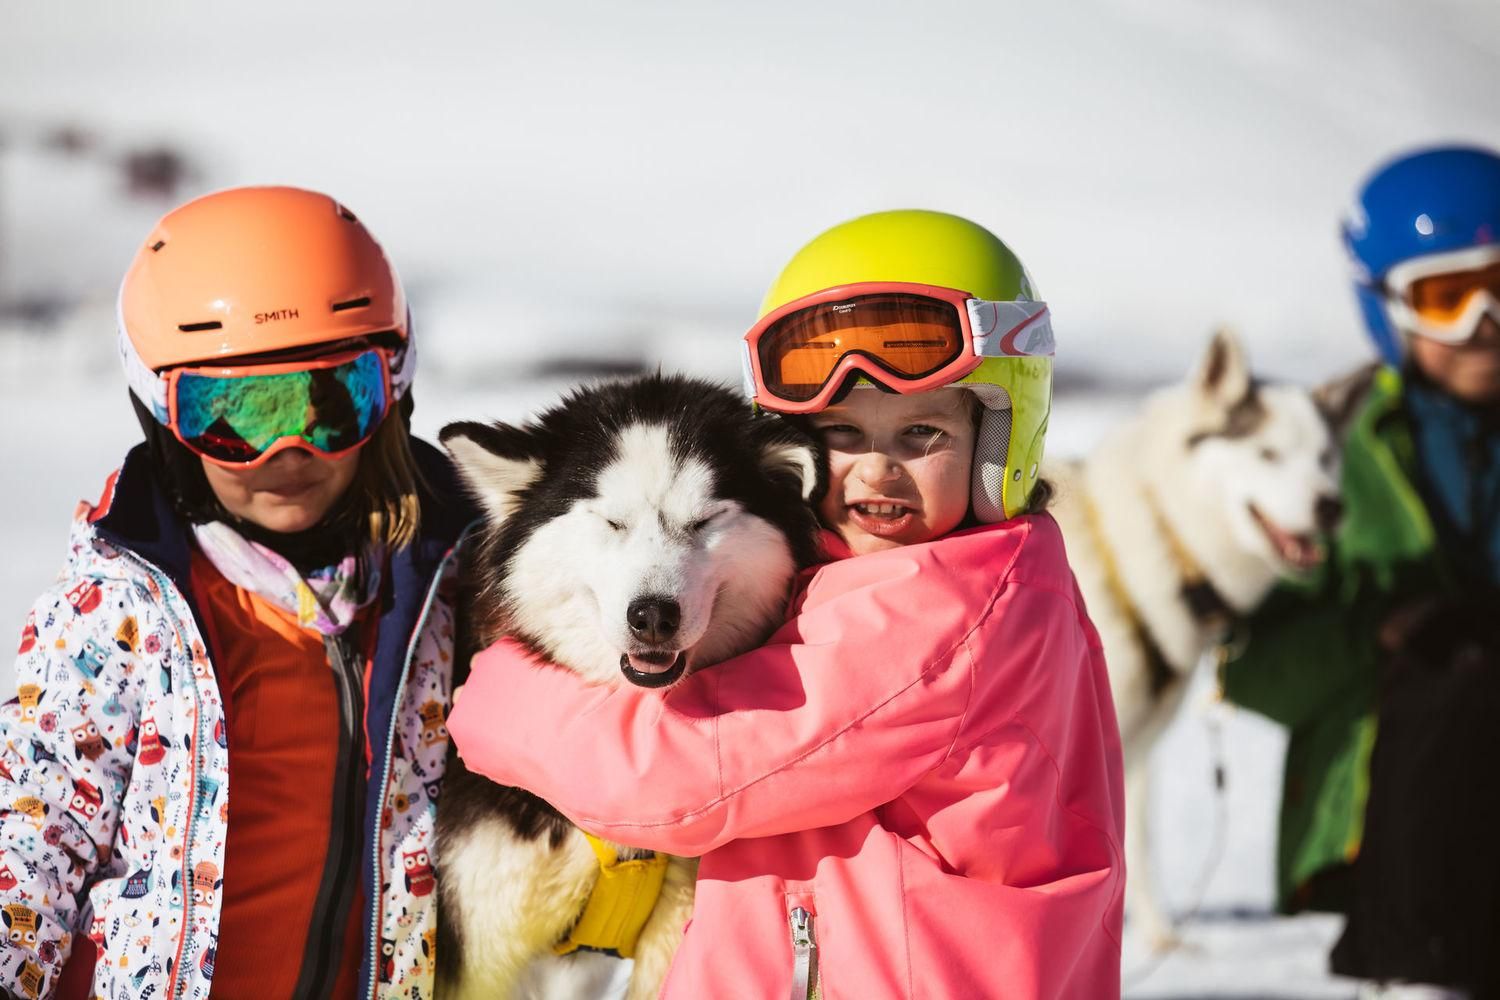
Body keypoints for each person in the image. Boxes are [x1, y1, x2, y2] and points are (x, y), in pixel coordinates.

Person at [447, 210, 1126, 998]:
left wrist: (498, 698)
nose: (877, 470)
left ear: (999, 443)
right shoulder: (939, 582)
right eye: (842, 433)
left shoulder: (942, 616)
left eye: (921, 434)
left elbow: (682, 777)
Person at [0, 186, 475, 1000]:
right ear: (162, 416)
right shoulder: (120, 610)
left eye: (331, 402)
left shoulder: (449, 590)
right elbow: (36, 829)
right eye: (234, 415)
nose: (286, 450)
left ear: (392, 387)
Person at [1221, 146, 1500, 998]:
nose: (1486, 322)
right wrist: (1376, 632)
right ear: (1385, 307)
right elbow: (1255, 672)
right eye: (1448, 298)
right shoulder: (1332, 456)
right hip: (1394, 825)